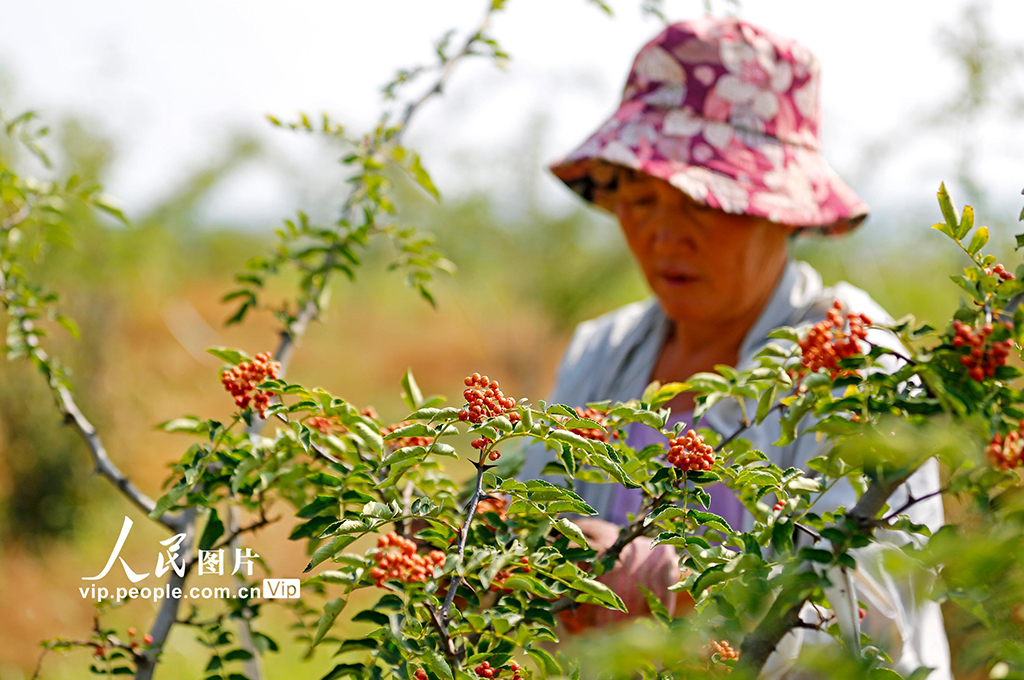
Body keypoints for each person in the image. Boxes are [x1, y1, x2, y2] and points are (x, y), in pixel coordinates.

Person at [517, 16, 952, 678]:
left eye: (702, 202)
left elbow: (872, 629)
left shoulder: (854, 359)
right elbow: (525, 523)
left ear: (783, 212)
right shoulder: (601, 351)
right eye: (640, 198)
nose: (665, 235)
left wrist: (665, 582)